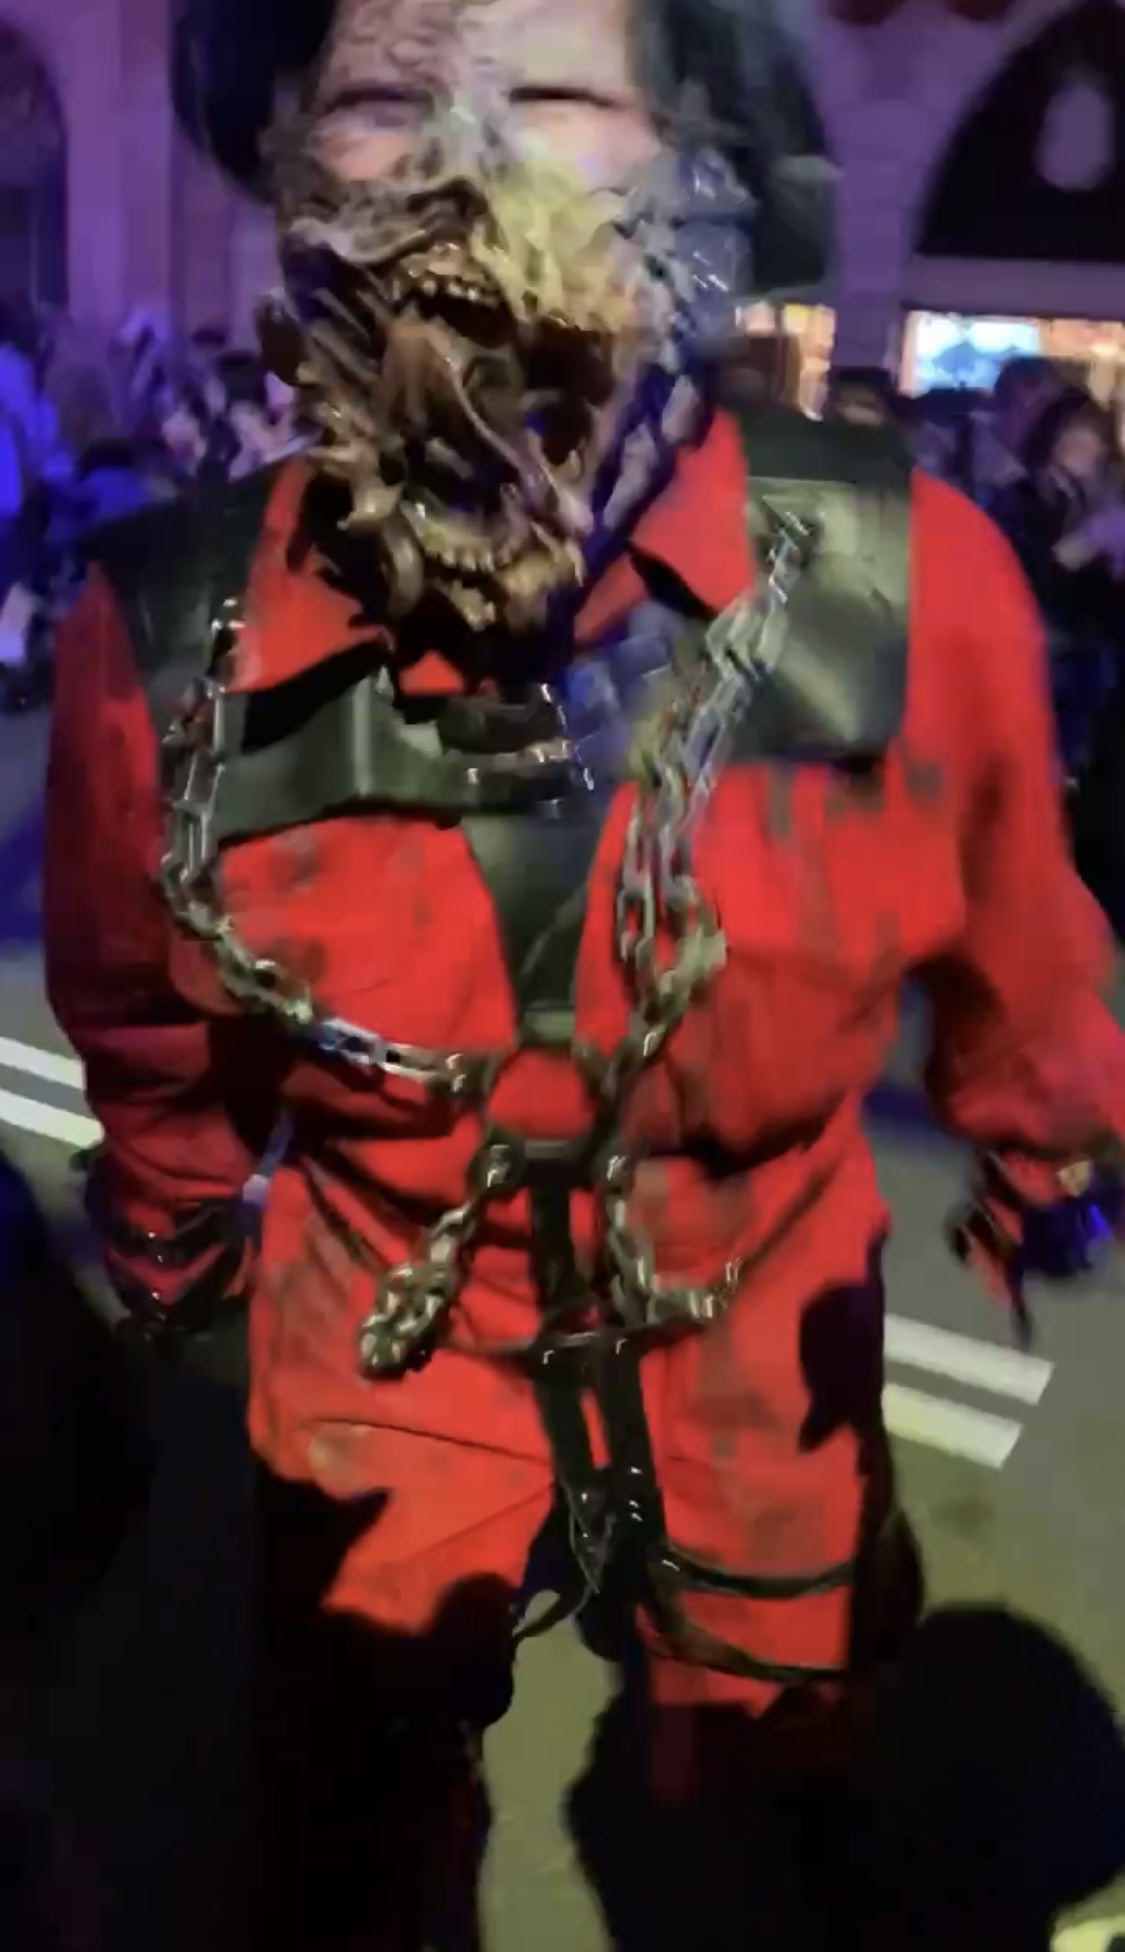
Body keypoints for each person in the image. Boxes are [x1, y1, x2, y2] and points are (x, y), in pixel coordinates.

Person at [43, 0, 1125, 1945]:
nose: (468, 164)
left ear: (692, 158)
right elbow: (145, 1028)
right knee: (350, 1806)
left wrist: (1042, 1153)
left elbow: (1020, 952)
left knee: (761, 1805)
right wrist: (173, 1238)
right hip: (384, 1366)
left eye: (549, 89)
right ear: (288, 170)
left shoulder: (911, 586)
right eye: (385, 100)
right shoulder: (170, 640)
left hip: (756, 1357)